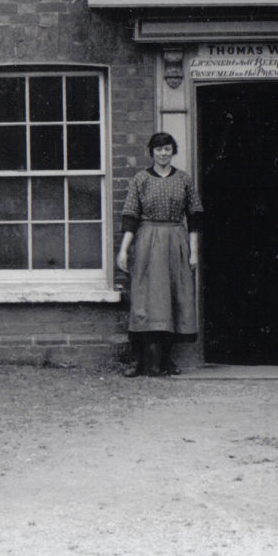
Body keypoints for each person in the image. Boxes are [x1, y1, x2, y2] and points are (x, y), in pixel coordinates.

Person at [117, 131, 202, 377]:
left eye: (167, 149)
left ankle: (166, 360)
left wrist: (193, 252)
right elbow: (131, 216)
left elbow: (195, 217)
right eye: (158, 149)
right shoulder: (140, 179)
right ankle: (137, 361)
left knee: (173, 298)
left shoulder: (184, 179)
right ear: (151, 152)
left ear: (173, 152)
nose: (163, 154)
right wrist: (123, 250)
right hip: (147, 240)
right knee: (144, 299)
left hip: (176, 240)